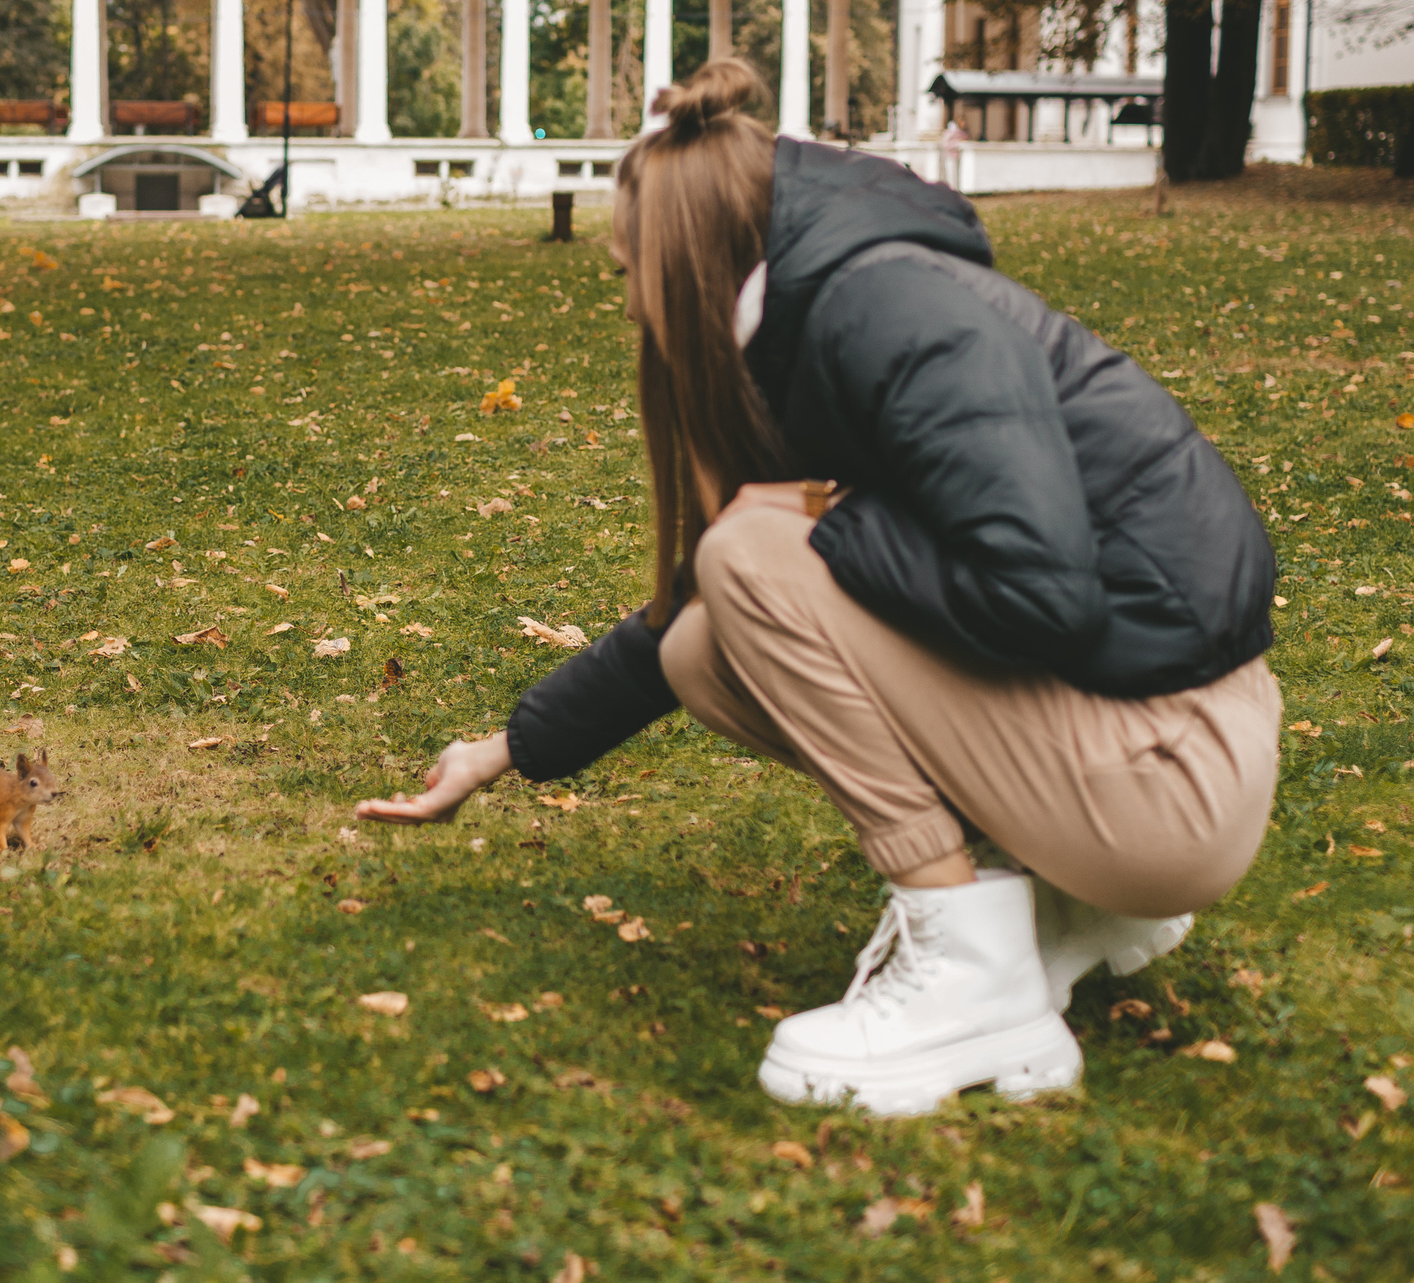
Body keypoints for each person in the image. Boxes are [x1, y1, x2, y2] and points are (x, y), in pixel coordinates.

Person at [356, 59, 1278, 1116]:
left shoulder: (890, 311)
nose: (625, 300)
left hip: (1172, 772)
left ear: (691, 261)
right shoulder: (815, 320)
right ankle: (1061, 909)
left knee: (749, 552)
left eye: (628, 272)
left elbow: (1040, 594)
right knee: (714, 634)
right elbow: (697, 616)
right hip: (1135, 738)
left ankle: (969, 977)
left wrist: (816, 526)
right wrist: (502, 751)